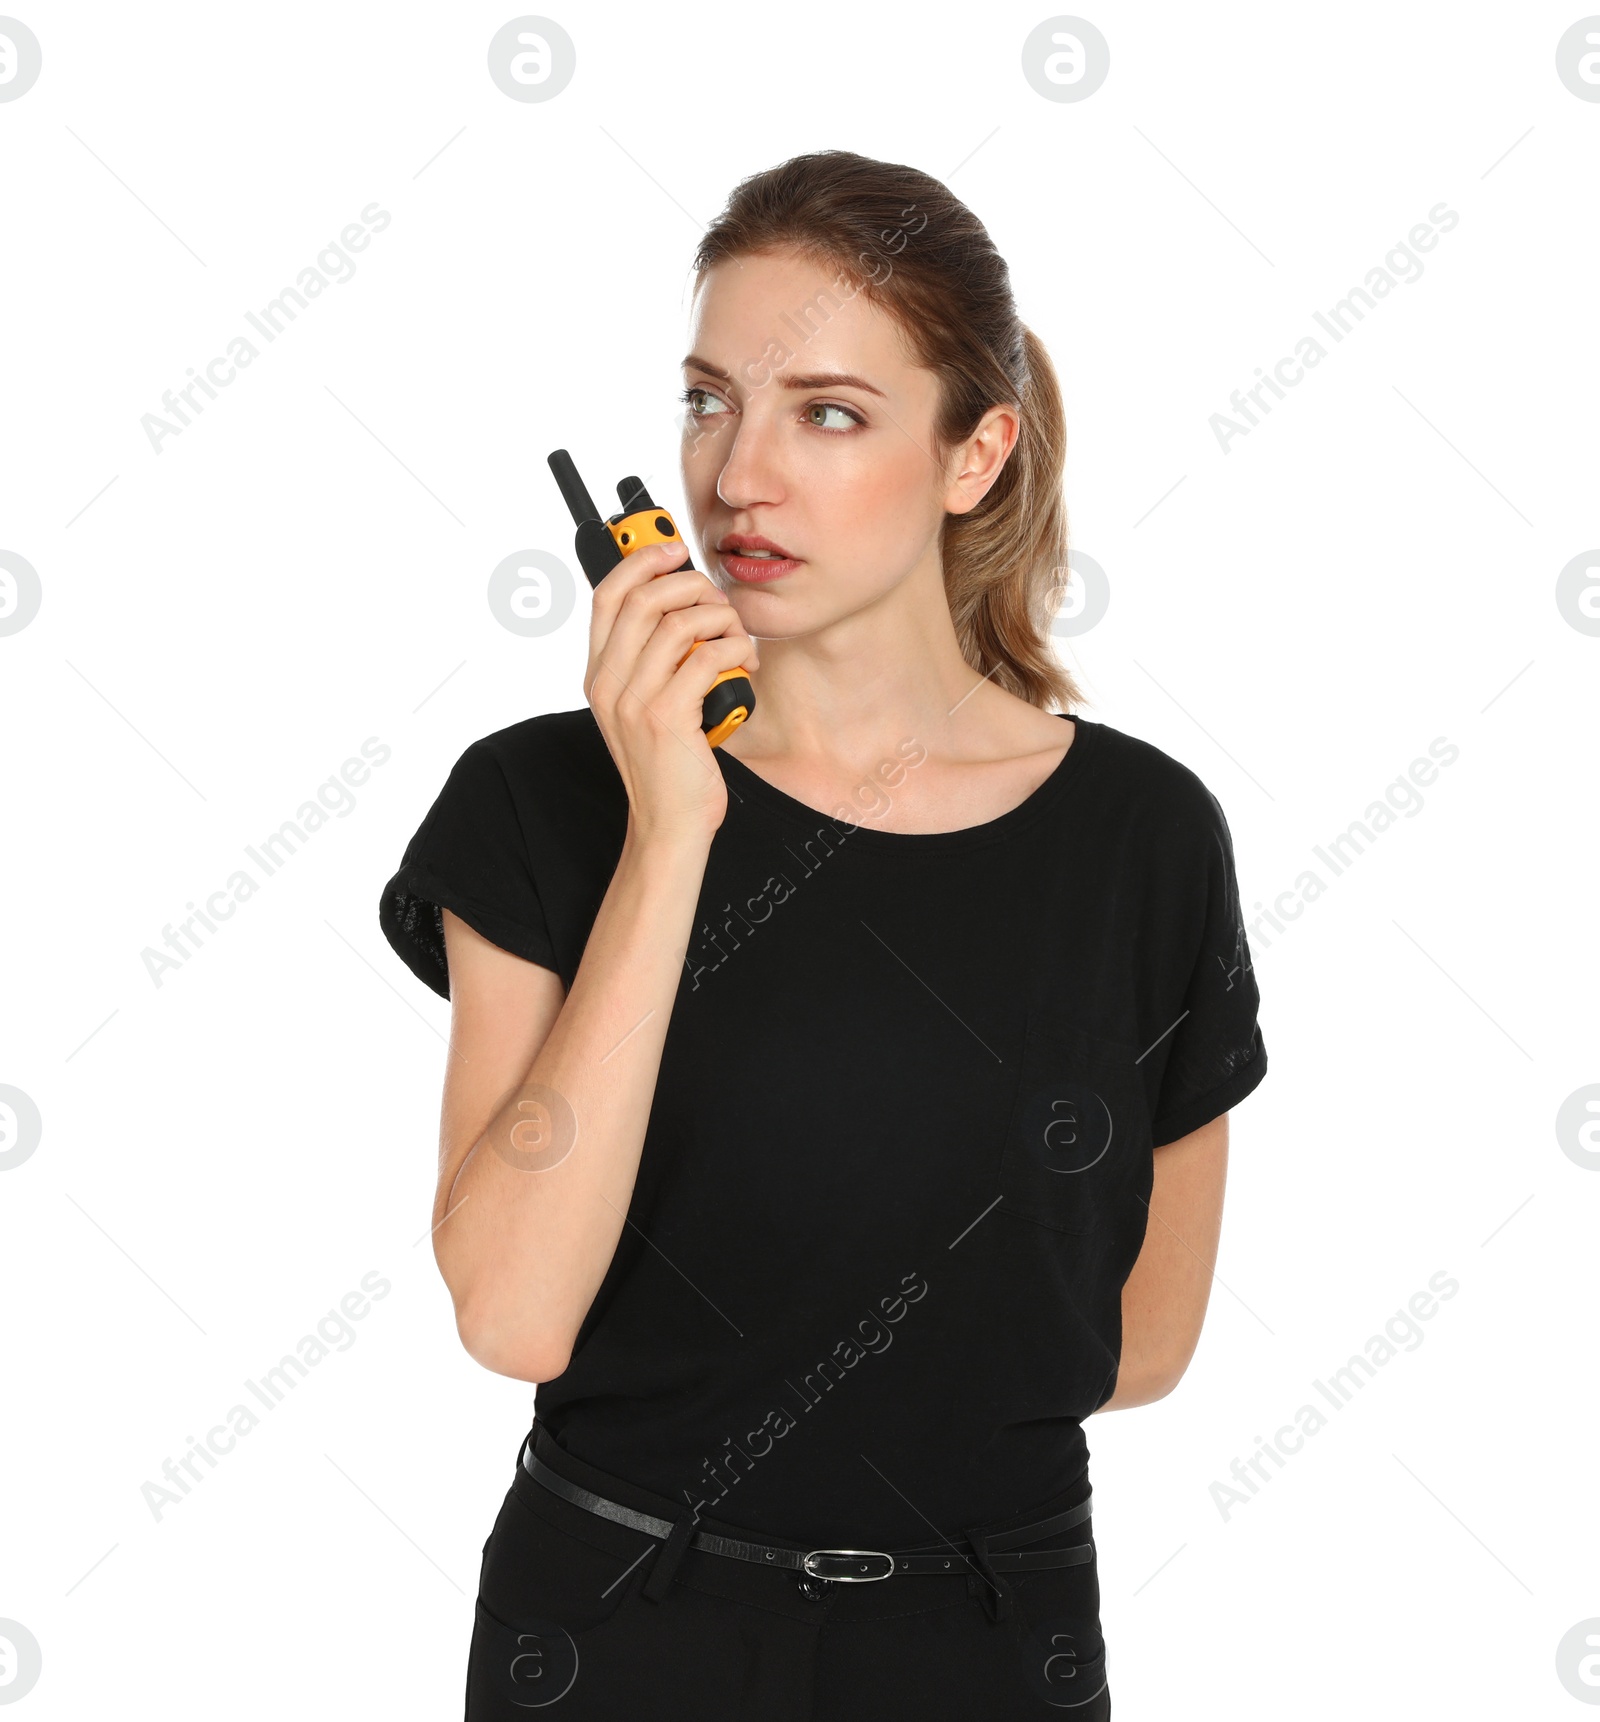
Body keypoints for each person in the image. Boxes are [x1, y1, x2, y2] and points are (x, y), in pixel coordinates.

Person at [378, 149, 1267, 1721]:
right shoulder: (535, 802)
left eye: (829, 414)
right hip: (615, 1632)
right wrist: (669, 832)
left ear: (974, 452)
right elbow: (512, 1312)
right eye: (711, 400)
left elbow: (1147, 1339)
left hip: (993, 1640)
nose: (736, 478)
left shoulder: (1144, 836)